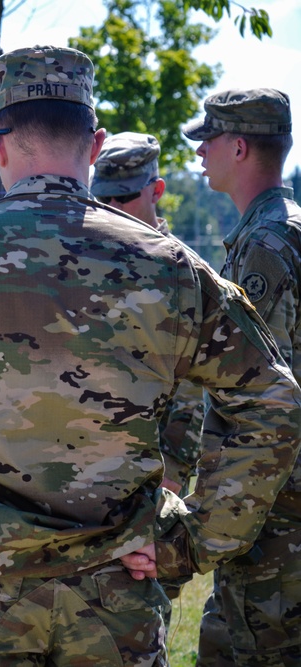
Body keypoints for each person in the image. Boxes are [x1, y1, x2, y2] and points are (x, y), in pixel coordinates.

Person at [0, 46, 301, 666]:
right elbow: (274, 401)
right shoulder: (171, 267)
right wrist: (194, 539)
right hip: (117, 604)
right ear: (95, 146)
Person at [182, 87, 301, 666]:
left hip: (274, 510)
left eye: (207, 141)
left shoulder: (265, 245)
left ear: (237, 146)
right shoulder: (286, 230)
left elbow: (261, 391)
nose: (199, 154)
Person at [91, 131, 202, 496]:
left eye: (124, 197)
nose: (111, 206)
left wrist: (172, 470)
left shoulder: (182, 272)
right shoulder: (83, 264)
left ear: (157, 191)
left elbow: (194, 384)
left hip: (151, 474)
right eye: (102, 197)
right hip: (82, 466)